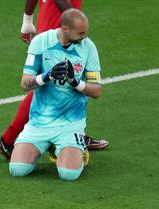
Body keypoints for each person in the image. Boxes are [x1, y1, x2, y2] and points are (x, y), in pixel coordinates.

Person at [0, 0, 108, 160]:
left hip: (47, 27)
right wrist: (78, 29)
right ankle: (8, 140)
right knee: (45, 88)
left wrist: (27, 21)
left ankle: (74, 133)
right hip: (61, 32)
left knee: (65, 82)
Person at [9, 9, 101, 181]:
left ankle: (78, 147)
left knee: (69, 174)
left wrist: (75, 82)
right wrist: (47, 76)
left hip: (70, 124)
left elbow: (96, 91)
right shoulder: (40, 42)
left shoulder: (88, 47)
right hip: (39, 122)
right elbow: (25, 83)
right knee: (17, 169)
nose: (84, 37)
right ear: (65, 29)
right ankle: (52, 147)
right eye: (80, 33)